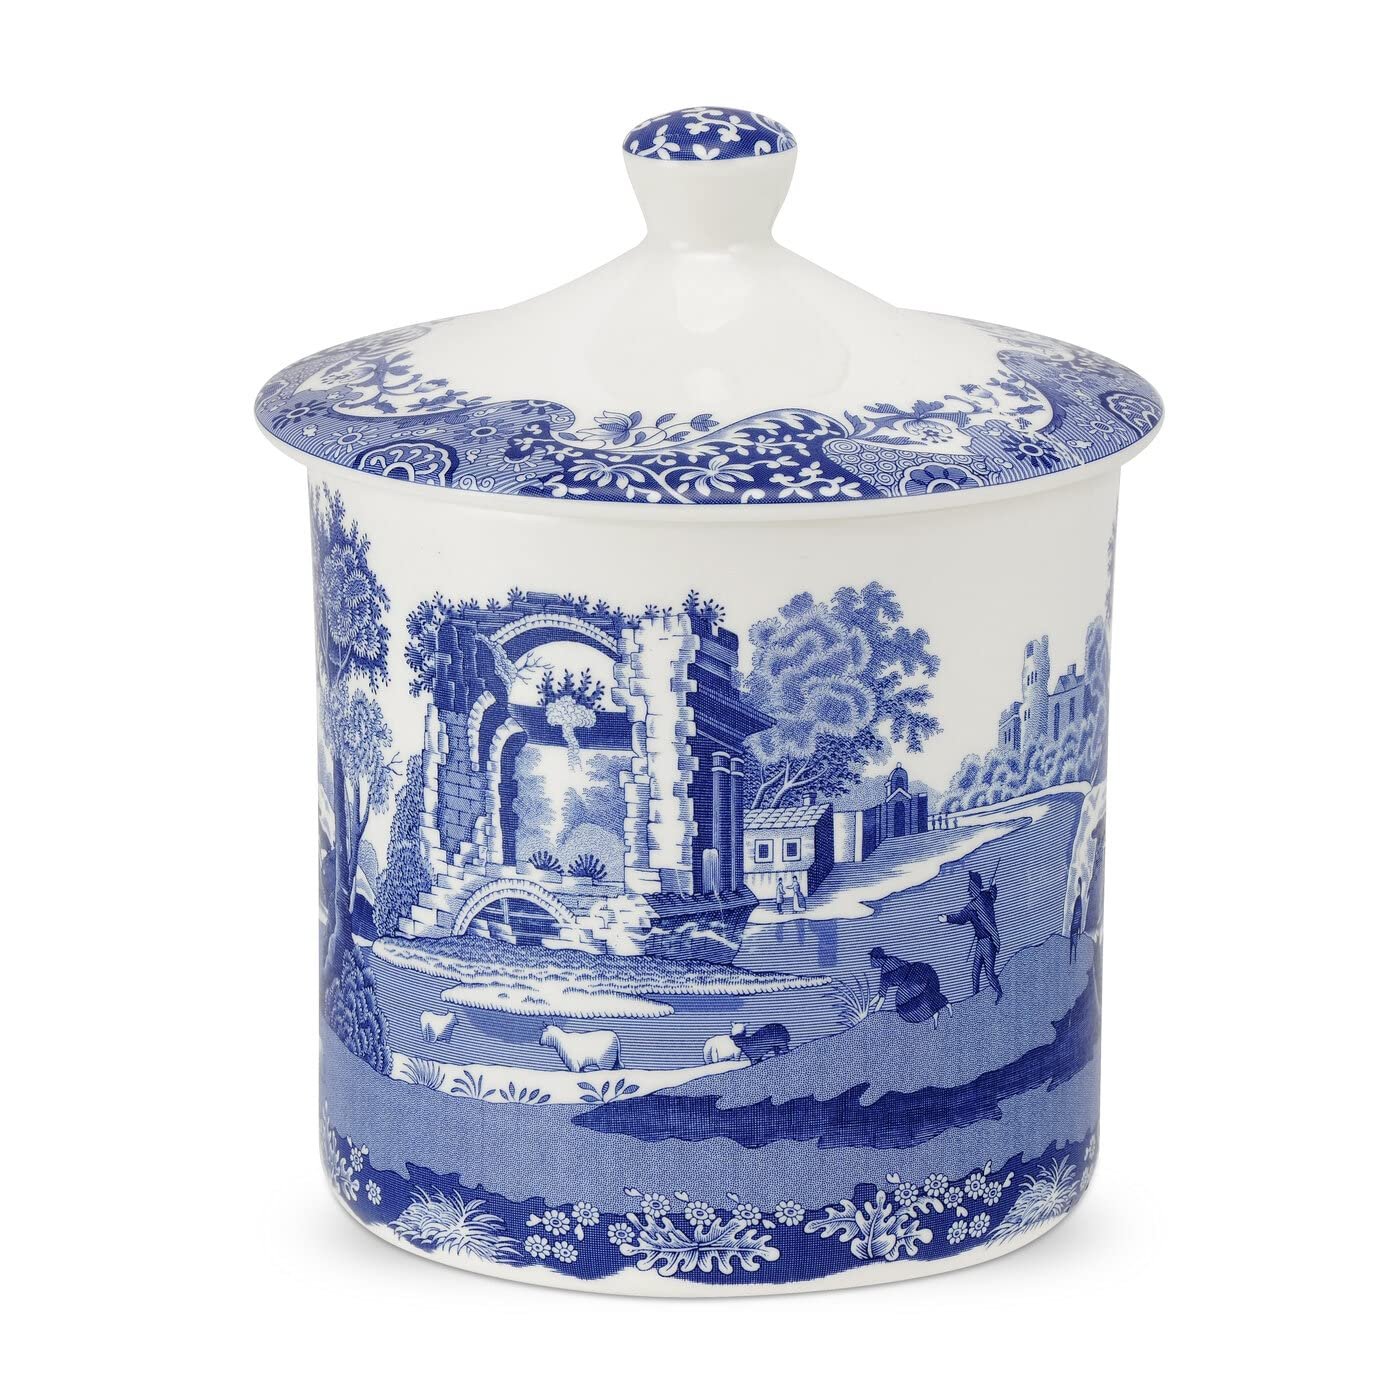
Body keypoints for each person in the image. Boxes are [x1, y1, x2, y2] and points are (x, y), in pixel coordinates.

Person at [942, 870, 1002, 1002]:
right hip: (982, 942)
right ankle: (975, 999)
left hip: (988, 942)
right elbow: (993, 895)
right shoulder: (985, 897)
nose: (968, 890)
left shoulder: (976, 903)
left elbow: (961, 917)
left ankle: (999, 994)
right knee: (975, 972)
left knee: (989, 973)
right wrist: (993, 885)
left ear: (976, 886)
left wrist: (947, 918)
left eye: (970, 886)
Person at [868, 946, 948, 1025]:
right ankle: (942, 1007)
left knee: (904, 1008)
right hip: (922, 969)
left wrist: (874, 1013)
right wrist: (869, 1007)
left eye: (872, 959)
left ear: (877, 959)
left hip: (913, 981)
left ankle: (937, 1010)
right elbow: (880, 996)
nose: (871, 962)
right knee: (922, 997)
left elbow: (881, 997)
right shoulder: (892, 960)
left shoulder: (885, 974)